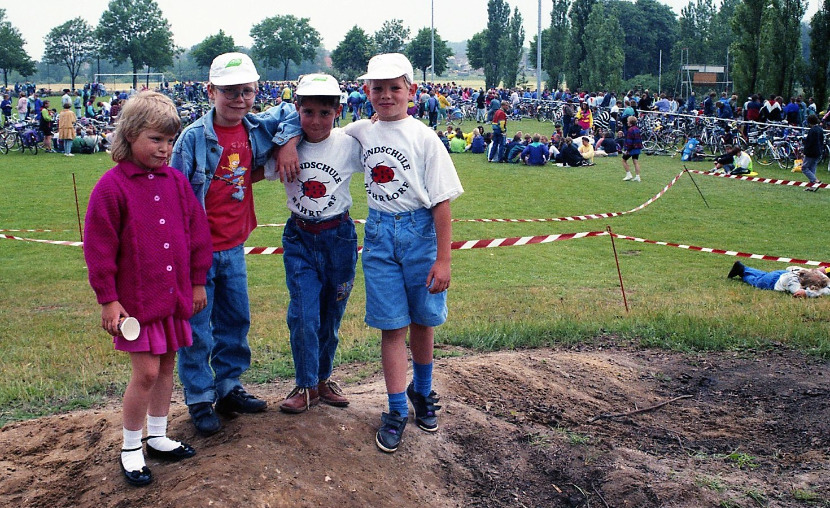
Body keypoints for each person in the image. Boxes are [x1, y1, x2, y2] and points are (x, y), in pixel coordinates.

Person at [83, 91, 214, 487]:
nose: (164, 148)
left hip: (172, 298)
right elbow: (99, 248)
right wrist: (108, 299)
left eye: (170, 141)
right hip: (136, 307)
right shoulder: (111, 187)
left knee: (168, 367)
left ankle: (157, 435)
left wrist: (195, 282)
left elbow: (196, 235)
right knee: (146, 373)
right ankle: (130, 447)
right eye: (155, 139)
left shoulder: (176, 182)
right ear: (130, 134)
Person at [171, 52, 302, 436]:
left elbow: (293, 112)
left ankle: (229, 387)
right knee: (197, 329)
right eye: (229, 91)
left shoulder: (254, 127)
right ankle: (198, 397)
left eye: (246, 91)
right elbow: (177, 195)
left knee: (235, 321)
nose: (239, 99)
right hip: (198, 251)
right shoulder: (193, 139)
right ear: (211, 91)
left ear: (256, 90)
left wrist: (288, 145)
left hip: (233, 245)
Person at [344, 53, 464, 453]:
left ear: (411, 91)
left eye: (395, 87)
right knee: (392, 325)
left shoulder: (424, 137)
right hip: (378, 233)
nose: (386, 95)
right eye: (377, 88)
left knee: (423, 320)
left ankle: (422, 391)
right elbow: (320, 136)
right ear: (366, 91)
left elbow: (442, 203)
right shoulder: (360, 131)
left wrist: (443, 260)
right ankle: (395, 409)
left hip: (419, 233)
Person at [263, 74, 361, 414]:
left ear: (337, 111)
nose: (316, 121)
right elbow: (251, 170)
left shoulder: (348, 143)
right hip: (300, 237)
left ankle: (322, 379)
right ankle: (305, 385)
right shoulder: (285, 147)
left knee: (331, 315)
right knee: (304, 314)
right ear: (296, 110)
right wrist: (285, 142)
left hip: (340, 238)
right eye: (308, 112)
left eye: (324, 112)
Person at [728, 262, 830, 298]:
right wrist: (807, 293)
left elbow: (789, 268)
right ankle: (742, 272)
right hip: (772, 282)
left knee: (763, 275)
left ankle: (745, 268)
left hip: (780, 273)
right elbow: (797, 292)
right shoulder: (793, 283)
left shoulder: (807, 272)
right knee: (756, 281)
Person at [802, 114, 824, 191]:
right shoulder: (820, 129)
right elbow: (821, 141)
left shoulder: (812, 130)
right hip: (818, 151)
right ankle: (812, 186)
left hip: (811, 152)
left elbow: (810, 142)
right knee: (812, 168)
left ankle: (816, 181)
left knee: (804, 168)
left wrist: (804, 151)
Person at [622, 115, 643, 182]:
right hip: (637, 147)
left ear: (630, 122)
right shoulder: (637, 129)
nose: (627, 122)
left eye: (628, 121)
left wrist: (627, 149)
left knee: (623, 160)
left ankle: (628, 174)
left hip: (632, 148)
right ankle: (637, 176)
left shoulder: (630, 130)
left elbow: (629, 141)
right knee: (635, 161)